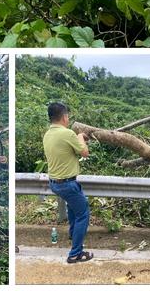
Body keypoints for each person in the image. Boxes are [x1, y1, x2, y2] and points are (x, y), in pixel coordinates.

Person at [43, 102, 92, 263]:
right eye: (67, 116)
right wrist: (79, 137)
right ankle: (75, 254)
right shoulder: (68, 133)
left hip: (55, 183)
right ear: (64, 117)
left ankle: (73, 235)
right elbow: (85, 153)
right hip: (68, 184)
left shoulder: (47, 134)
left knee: (74, 208)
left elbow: (67, 152)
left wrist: (79, 140)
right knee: (83, 214)